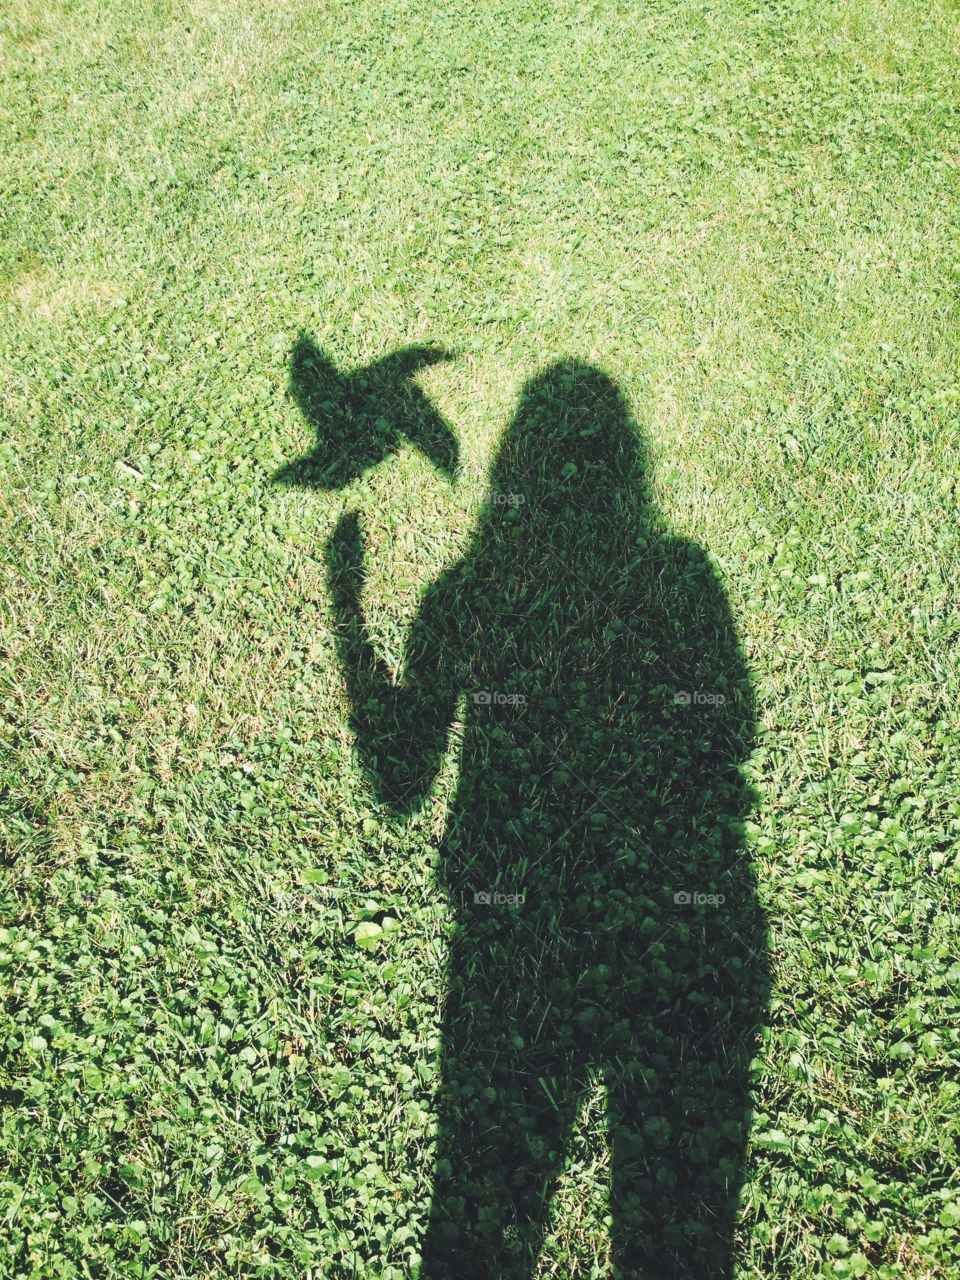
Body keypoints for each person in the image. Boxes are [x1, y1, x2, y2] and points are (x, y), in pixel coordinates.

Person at [302, 353, 768, 1279]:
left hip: (508, 940)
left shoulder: (465, 596)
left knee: (480, 1215)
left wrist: (350, 617)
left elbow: (401, 780)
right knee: (676, 1223)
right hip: (672, 932)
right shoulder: (680, 576)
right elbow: (736, 730)